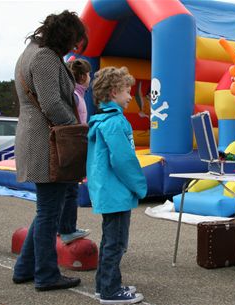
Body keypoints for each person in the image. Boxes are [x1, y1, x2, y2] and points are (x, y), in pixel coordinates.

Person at [12, 11, 88, 291]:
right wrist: (77, 130)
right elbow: (52, 104)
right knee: (48, 213)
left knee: (47, 209)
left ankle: (24, 268)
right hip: (47, 143)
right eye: (75, 42)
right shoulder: (44, 57)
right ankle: (45, 274)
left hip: (39, 138)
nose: (75, 48)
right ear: (65, 36)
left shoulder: (31, 51)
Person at [88, 66, 147, 304]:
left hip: (108, 191)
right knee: (117, 242)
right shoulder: (114, 122)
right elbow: (123, 160)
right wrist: (140, 185)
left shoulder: (102, 120)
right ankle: (111, 291)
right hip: (116, 192)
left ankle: (104, 285)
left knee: (110, 240)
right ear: (113, 92)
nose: (130, 95)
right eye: (126, 90)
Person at [57, 59, 92, 244]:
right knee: (70, 191)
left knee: (67, 191)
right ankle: (67, 229)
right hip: (72, 147)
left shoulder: (76, 95)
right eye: (89, 75)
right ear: (82, 76)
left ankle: (62, 227)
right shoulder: (76, 96)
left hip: (71, 146)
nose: (90, 78)